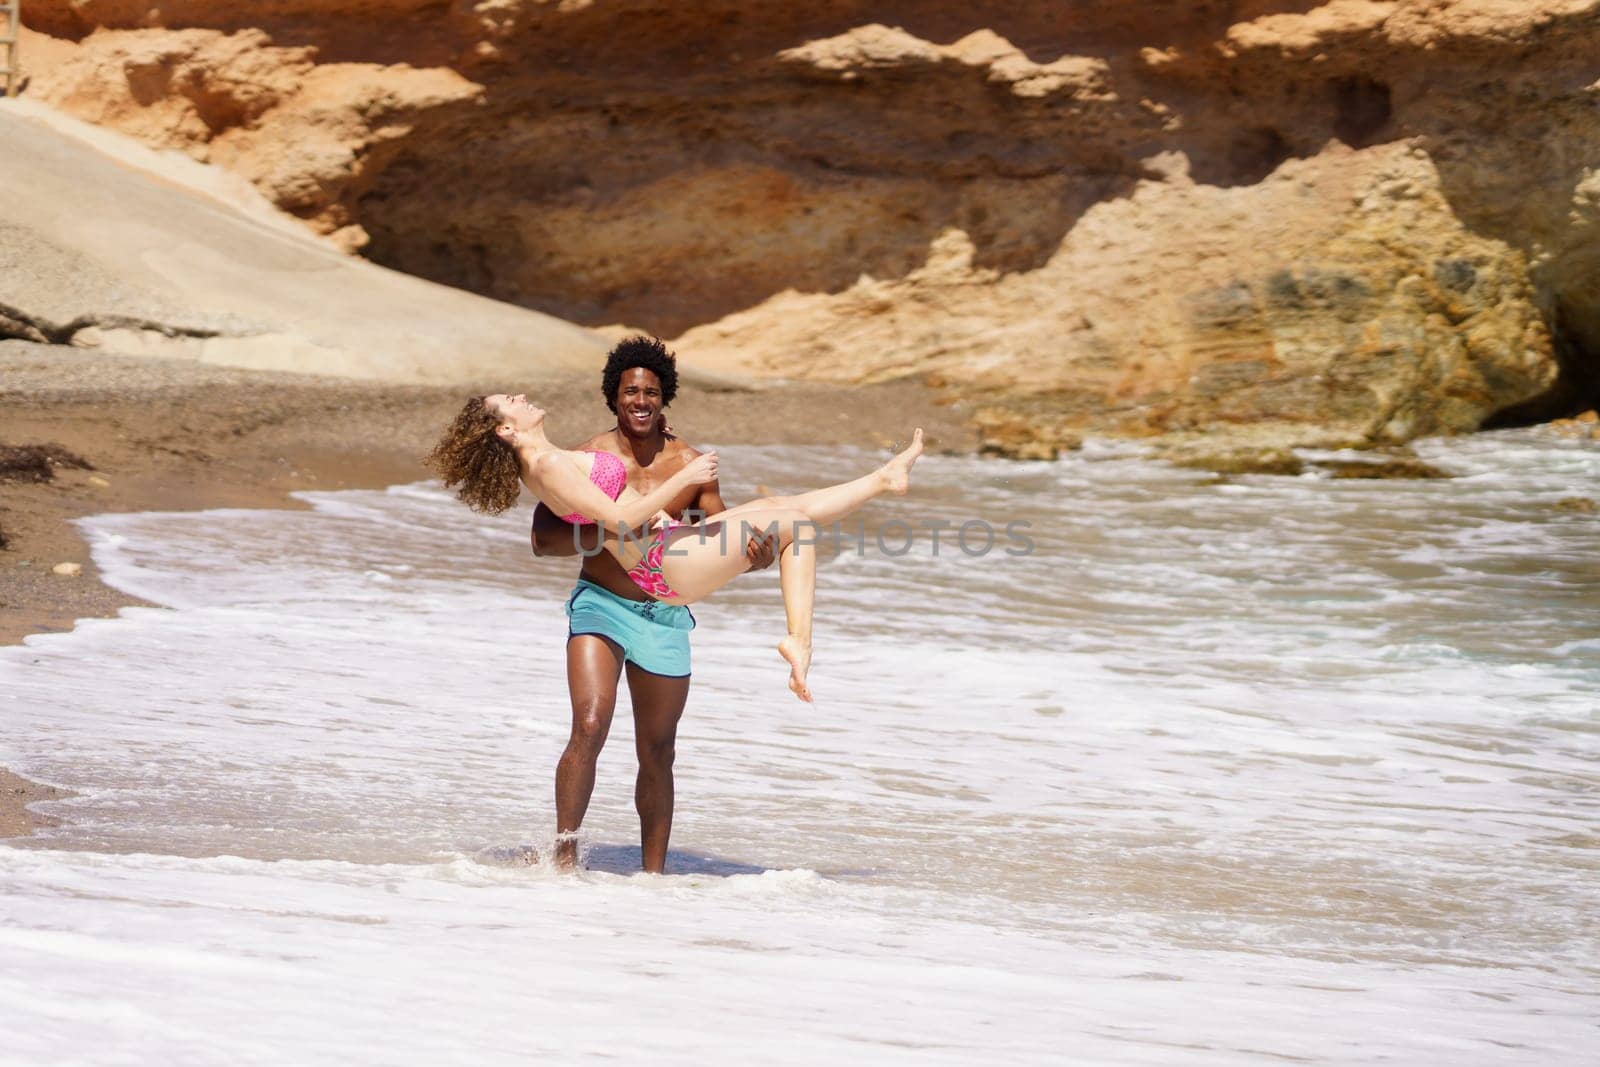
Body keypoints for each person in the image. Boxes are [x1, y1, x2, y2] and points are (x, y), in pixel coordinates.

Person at [426, 340, 924, 866]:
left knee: (783, 511)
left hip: (665, 571)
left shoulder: (559, 458)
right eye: (511, 400)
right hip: (653, 574)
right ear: (506, 429)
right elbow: (598, 524)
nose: (522, 396)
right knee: (796, 523)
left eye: (651, 392)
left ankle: (881, 481)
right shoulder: (554, 462)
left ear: (664, 398)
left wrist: (684, 515)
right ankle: (801, 637)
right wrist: (679, 485)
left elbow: (618, 508)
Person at [530, 337, 774, 872]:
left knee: (658, 750)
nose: (640, 400)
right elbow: (543, 540)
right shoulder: (589, 459)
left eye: (651, 392)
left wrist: (757, 556)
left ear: (664, 399)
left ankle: (653, 877)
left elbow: (722, 536)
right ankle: (564, 859)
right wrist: (620, 527)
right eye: (629, 391)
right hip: (601, 604)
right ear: (612, 397)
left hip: (664, 616)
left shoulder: (690, 464)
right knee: (590, 724)